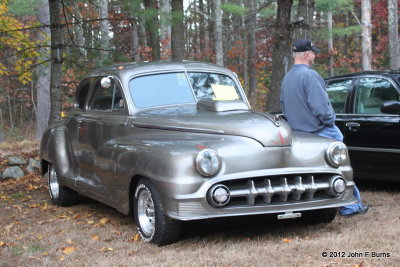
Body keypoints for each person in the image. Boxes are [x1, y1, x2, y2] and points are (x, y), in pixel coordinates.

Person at [280, 39, 368, 216]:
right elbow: (321, 108)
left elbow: (284, 105)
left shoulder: (287, 78)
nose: (315, 55)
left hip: (298, 134)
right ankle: (349, 206)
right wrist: (329, 122)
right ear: (307, 55)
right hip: (321, 131)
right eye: (313, 52)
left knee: (311, 173)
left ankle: (323, 205)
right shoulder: (310, 76)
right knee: (339, 168)